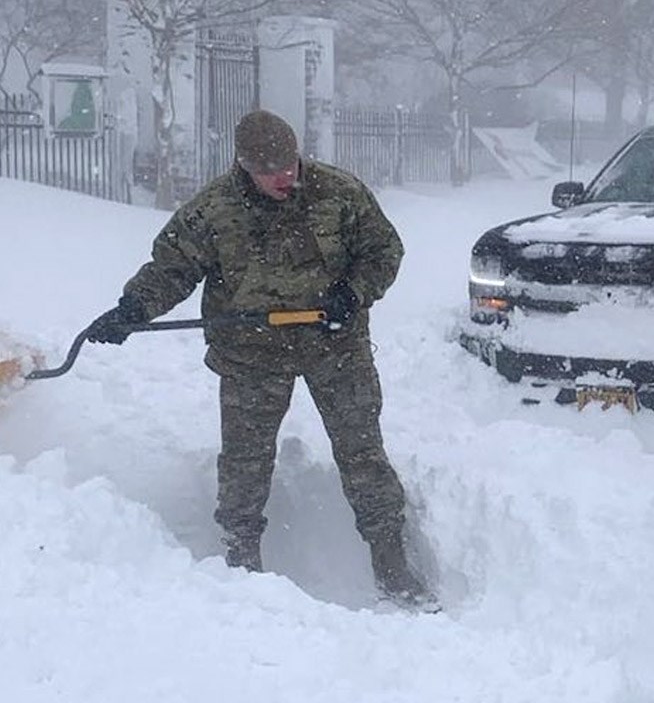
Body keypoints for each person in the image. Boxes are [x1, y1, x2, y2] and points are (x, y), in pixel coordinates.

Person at [83, 110, 433, 609]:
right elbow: (172, 268)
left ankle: (391, 561)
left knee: (362, 452)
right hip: (251, 353)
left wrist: (352, 293)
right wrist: (133, 309)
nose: (285, 176)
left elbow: (384, 251)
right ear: (244, 165)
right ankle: (241, 558)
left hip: (335, 345)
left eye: (290, 164)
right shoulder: (214, 210)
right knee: (245, 461)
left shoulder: (339, 193)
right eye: (270, 170)